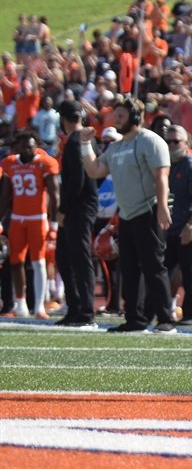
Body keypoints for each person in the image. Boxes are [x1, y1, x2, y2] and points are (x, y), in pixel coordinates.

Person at [78, 97, 176, 334]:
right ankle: (135, 318)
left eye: (121, 115)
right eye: (116, 115)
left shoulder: (150, 141)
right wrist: (84, 144)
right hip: (127, 214)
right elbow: (94, 170)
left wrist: (162, 206)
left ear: (135, 117)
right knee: (129, 269)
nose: (116, 119)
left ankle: (165, 319)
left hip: (149, 210)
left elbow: (161, 176)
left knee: (154, 266)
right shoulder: (116, 146)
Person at [1, 131, 59, 318]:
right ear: (17, 147)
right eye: (23, 146)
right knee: (15, 261)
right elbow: (5, 196)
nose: (27, 149)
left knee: (38, 262)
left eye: (30, 145)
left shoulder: (45, 162)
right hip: (17, 219)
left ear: (36, 146)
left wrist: (54, 224)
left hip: (37, 219)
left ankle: (40, 306)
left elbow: (54, 195)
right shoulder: (10, 163)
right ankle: (20, 304)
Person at [54, 100, 98, 327]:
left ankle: (85, 312)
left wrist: (63, 209)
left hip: (78, 207)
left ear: (63, 119)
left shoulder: (73, 141)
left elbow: (77, 180)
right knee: (64, 257)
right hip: (84, 204)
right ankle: (75, 308)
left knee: (79, 260)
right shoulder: (87, 139)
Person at [163, 125, 192, 325]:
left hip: (189, 227)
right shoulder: (169, 164)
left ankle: (191, 314)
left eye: (176, 141)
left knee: (190, 273)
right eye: (169, 141)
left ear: (186, 142)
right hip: (173, 227)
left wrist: (190, 225)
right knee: (164, 270)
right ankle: (161, 310)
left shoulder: (191, 164)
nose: (172, 145)